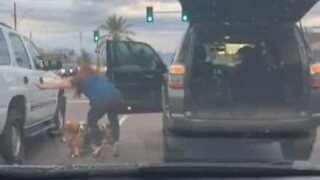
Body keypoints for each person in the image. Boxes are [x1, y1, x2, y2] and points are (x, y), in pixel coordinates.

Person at [38, 64, 124, 157]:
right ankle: (116, 141)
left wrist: (44, 86)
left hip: (102, 100)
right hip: (117, 96)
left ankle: (97, 145)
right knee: (113, 118)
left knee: (91, 120)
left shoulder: (80, 79)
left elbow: (61, 84)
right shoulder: (97, 77)